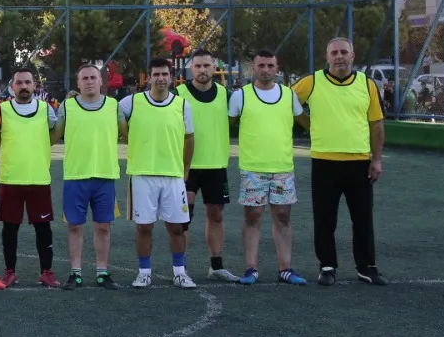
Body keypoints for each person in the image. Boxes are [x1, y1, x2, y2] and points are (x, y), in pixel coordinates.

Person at [293, 36, 386, 286]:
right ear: (327, 56)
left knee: (363, 218)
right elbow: (289, 104)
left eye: (344, 52)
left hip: (359, 163)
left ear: (353, 56)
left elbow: (376, 124)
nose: (339, 56)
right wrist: (309, 125)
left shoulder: (367, 85)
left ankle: (366, 266)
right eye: (334, 52)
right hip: (324, 162)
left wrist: (376, 159)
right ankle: (327, 266)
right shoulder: (311, 82)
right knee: (325, 218)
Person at [119, 57, 196, 288]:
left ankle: (180, 272)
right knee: (144, 227)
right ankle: (144, 272)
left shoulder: (182, 105)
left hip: (173, 176)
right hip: (142, 175)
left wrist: (185, 168)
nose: (161, 78)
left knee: (176, 227)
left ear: (171, 77)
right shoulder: (131, 102)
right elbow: (110, 114)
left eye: (165, 74)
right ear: (149, 77)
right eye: (157, 74)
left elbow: (189, 138)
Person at [231, 50, 305, 286]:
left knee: (282, 216)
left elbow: (303, 121)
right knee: (253, 216)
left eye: (270, 65)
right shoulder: (240, 96)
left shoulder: (288, 95)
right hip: (253, 168)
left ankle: (285, 268)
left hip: (282, 167)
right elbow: (227, 125)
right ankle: (251, 268)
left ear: (277, 68)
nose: (265, 69)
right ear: (253, 68)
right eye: (261, 65)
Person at [53, 63, 122, 289]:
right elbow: (54, 136)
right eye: (85, 78)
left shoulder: (113, 106)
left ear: (101, 81)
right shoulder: (68, 106)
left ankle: (102, 272)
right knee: (74, 226)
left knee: (103, 227)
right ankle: (76, 273)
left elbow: (130, 133)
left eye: (93, 77)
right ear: (78, 83)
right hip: (76, 175)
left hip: (105, 175)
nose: (90, 81)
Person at [0, 65, 59, 289]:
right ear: (12, 87)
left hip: (39, 178)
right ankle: (10, 271)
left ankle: (46, 272)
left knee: (43, 227)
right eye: (19, 83)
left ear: (34, 85)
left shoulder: (45, 109)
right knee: (10, 228)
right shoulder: (2, 110)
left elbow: (54, 133)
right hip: (11, 178)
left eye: (27, 82)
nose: (23, 86)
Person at [180, 50, 234, 282]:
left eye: (207, 66)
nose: (203, 70)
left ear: (214, 67)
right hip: (187, 165)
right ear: (191, 68)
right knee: (184, 217)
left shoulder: (225, 94)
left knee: (216, 215)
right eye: (198, 66)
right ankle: (180, 268)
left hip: (216, 164)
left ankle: (217, 266)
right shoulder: (179, 93)